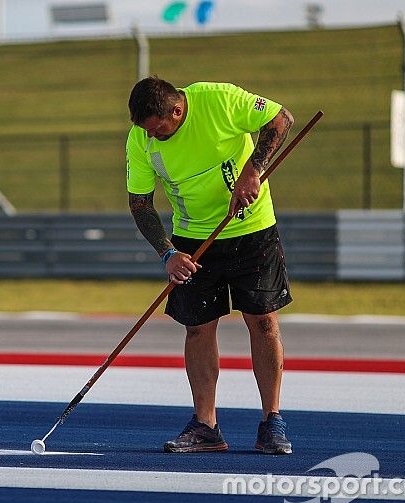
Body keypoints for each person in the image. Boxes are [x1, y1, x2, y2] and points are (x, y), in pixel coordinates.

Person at [126, 76, 294, 454]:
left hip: (251, 227)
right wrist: (168, 254)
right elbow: (140, 203)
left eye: (158, 129)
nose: (152, 136)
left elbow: (281, 119)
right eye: (145, 130)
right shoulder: (140, 139)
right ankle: (206, 426)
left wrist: (253, 170)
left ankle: (272, 421)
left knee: (262, 321)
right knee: (197, 330)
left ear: (177, 109)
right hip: (193, 237)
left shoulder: (218, 100)